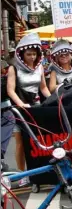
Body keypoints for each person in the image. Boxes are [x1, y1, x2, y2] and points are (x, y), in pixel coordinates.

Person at [6, 33, 50, 179]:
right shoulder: (14, 68)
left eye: (34, 54)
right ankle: (21, 173)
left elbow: (43, 88)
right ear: (21, 54)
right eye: (28, 54)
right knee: (20, 142)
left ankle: (38, 171)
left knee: (37, 140)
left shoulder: (40, 68)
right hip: (19, 109)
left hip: (36, 106)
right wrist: (21, 104)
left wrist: (52, 100)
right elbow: (10, 90)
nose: (32, 57)